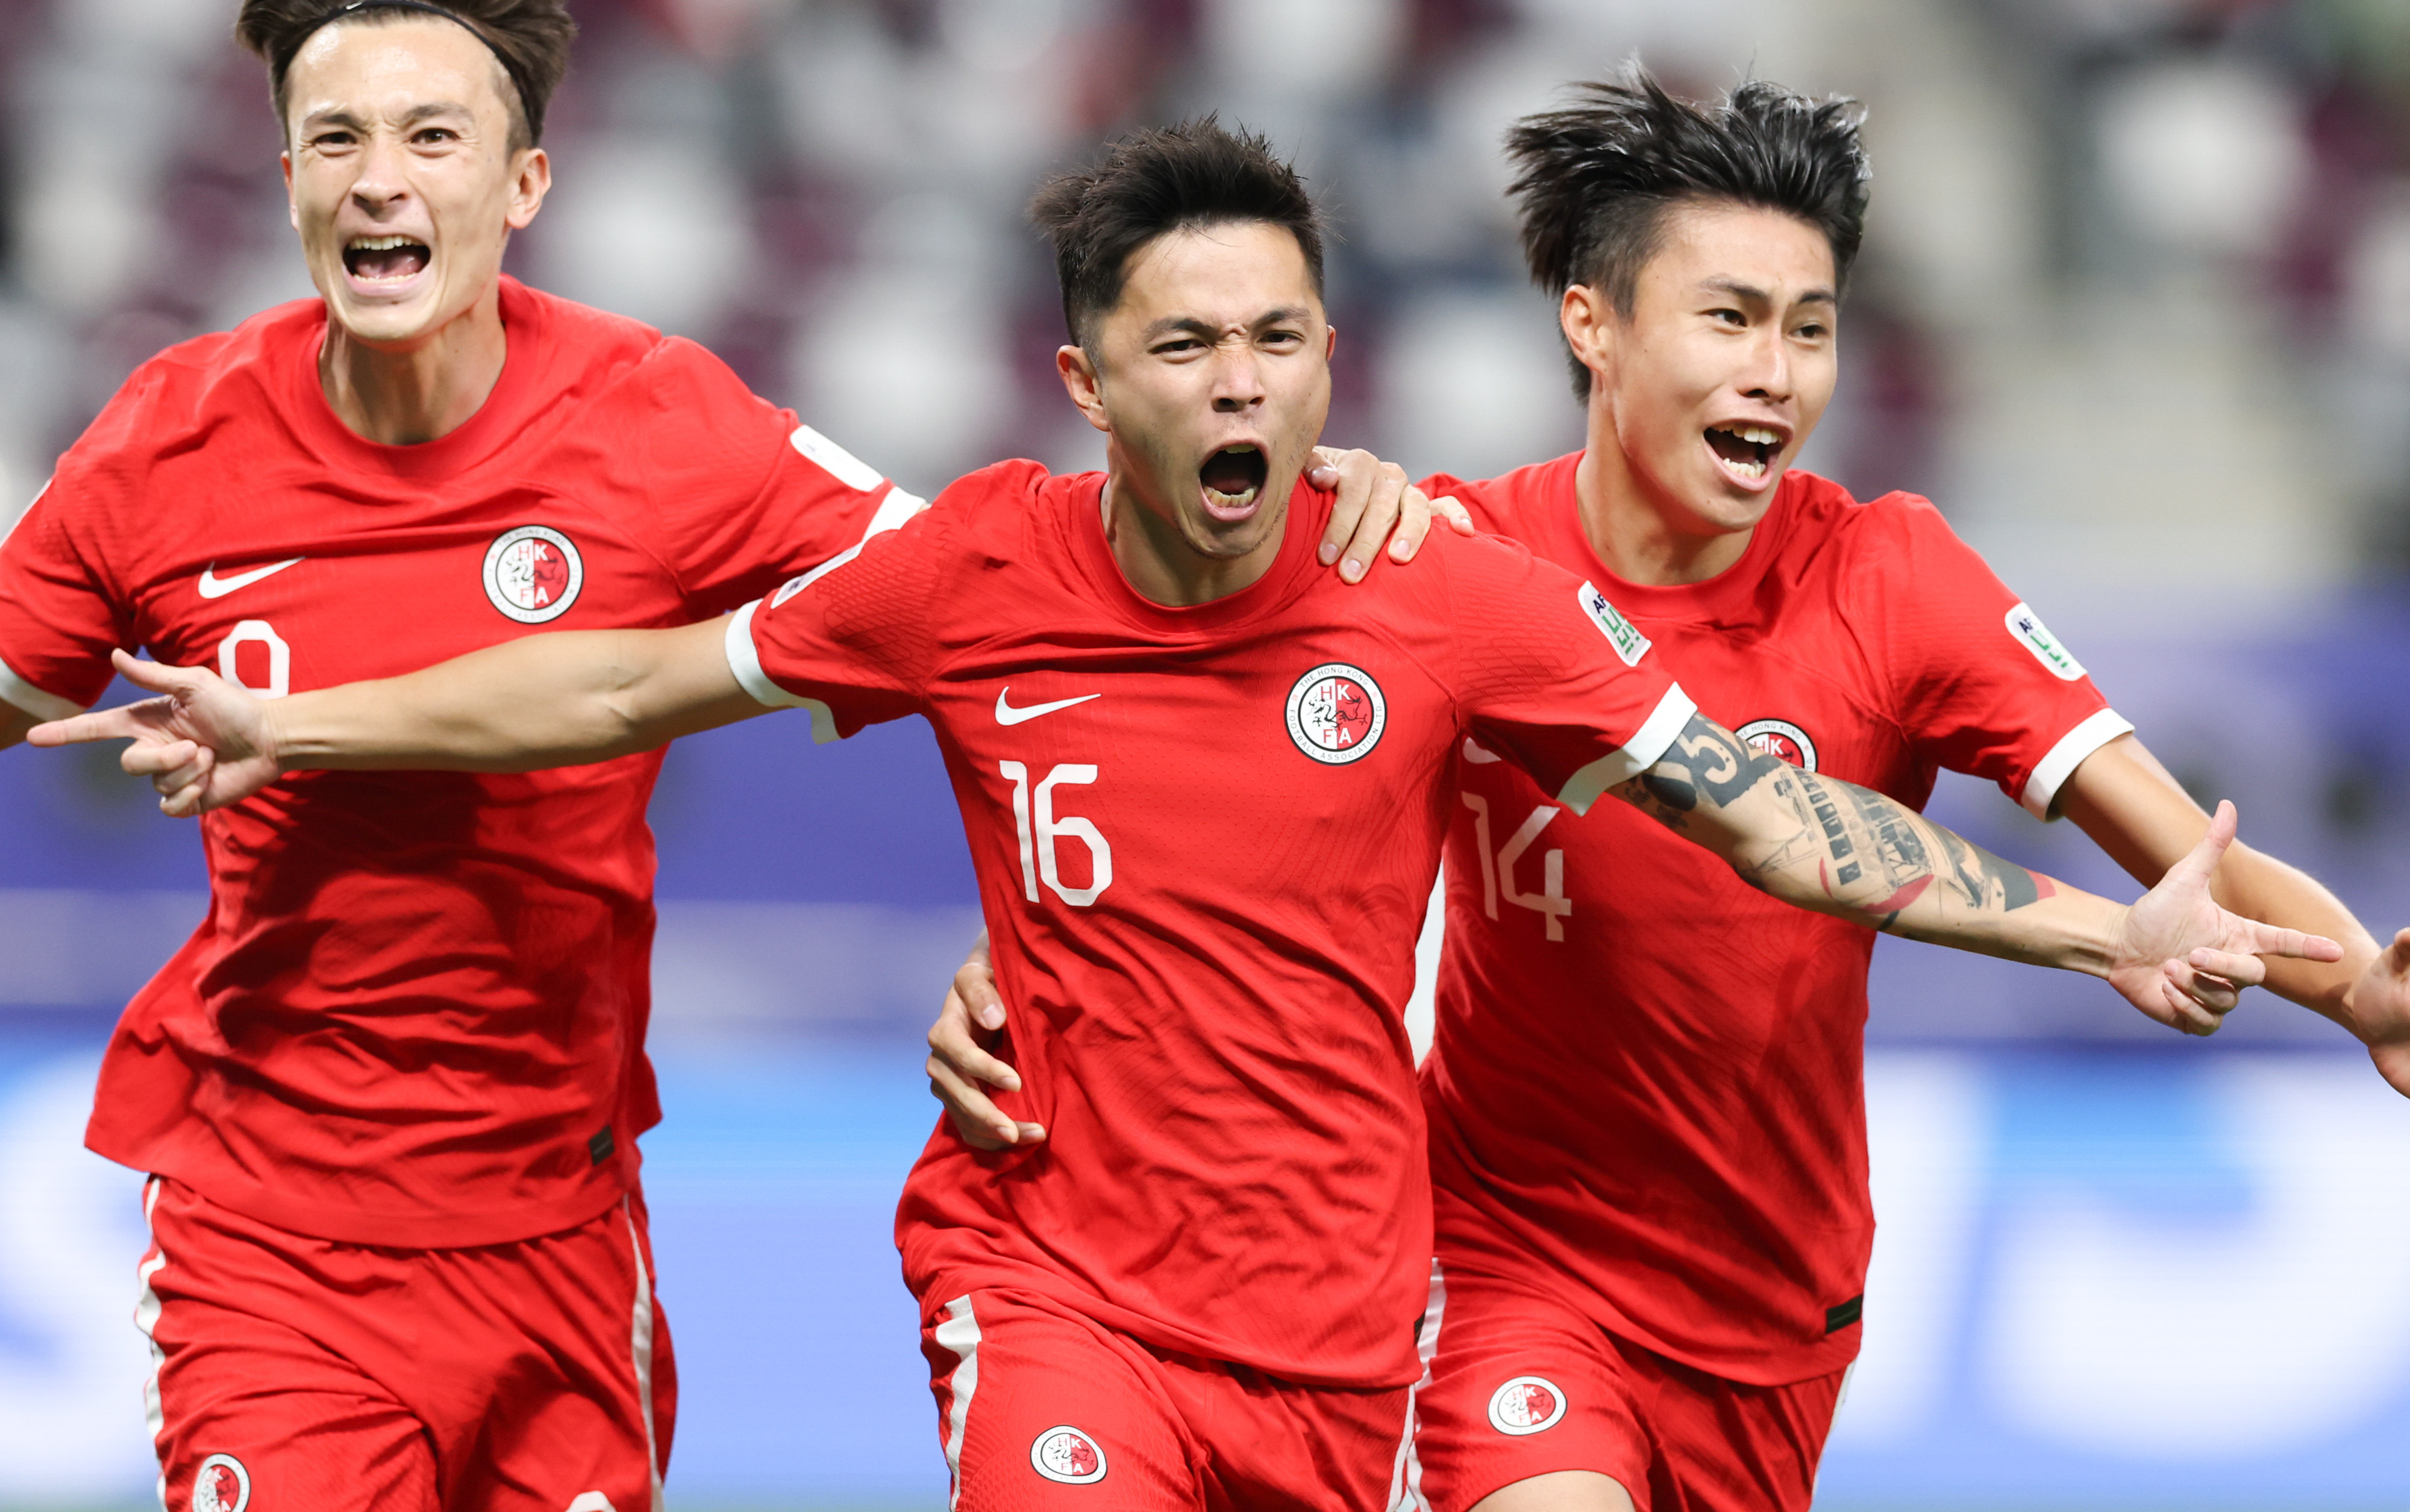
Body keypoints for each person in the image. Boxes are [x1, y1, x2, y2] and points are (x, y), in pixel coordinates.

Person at [36, 119, 2336, 1512]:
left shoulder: (1450, 591)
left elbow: (1774, 821)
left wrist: (2093, 931)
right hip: (1056, 1278)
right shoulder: (971, 573)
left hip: (1340, 1326)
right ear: (1088, 381)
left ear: (1332, 360)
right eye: (1188, 350)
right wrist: (307, 725)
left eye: (1282, 346)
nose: (1242, 388)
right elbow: (632, 676)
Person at [0, 0, 1431, 1512]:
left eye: (431, 136)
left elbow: (1000, 603)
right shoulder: (168, 442)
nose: (378, 176)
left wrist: (1294, 527)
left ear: (522, 185)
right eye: (333, 138)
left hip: (560, 1229)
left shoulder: (659, 422)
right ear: (286, 184)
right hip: (274, 1234)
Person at [915, 72, 2410, 1512]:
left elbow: (2185, 856)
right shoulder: (1439, 564)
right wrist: (1036, 966)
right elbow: (1192, 766)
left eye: (1809, 327)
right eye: (1730, 318)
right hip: (1502, 1258)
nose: (1775, 370)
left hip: (1775, 1301)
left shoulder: (1893, 580)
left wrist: (2357, 996)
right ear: (1593, 323)